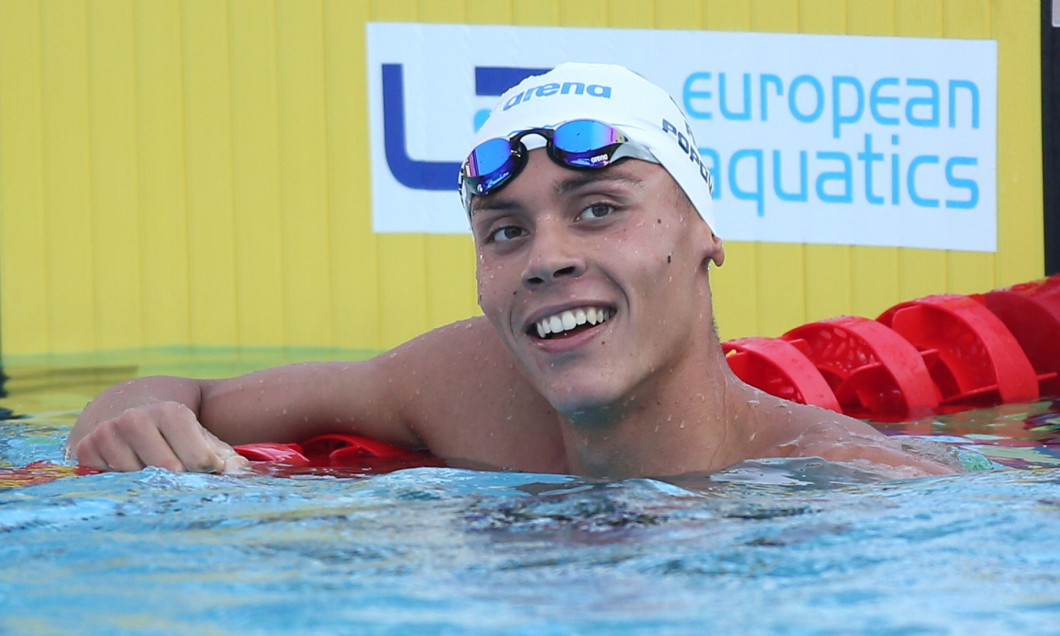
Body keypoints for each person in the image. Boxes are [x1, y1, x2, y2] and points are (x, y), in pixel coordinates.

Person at [67, 63, 955, 478]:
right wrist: (115, 425)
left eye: (598, 208)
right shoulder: (457, 386)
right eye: (504, 231)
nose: (547, 259)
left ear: (704, 231)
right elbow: (175, 392)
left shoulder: (842, 485)